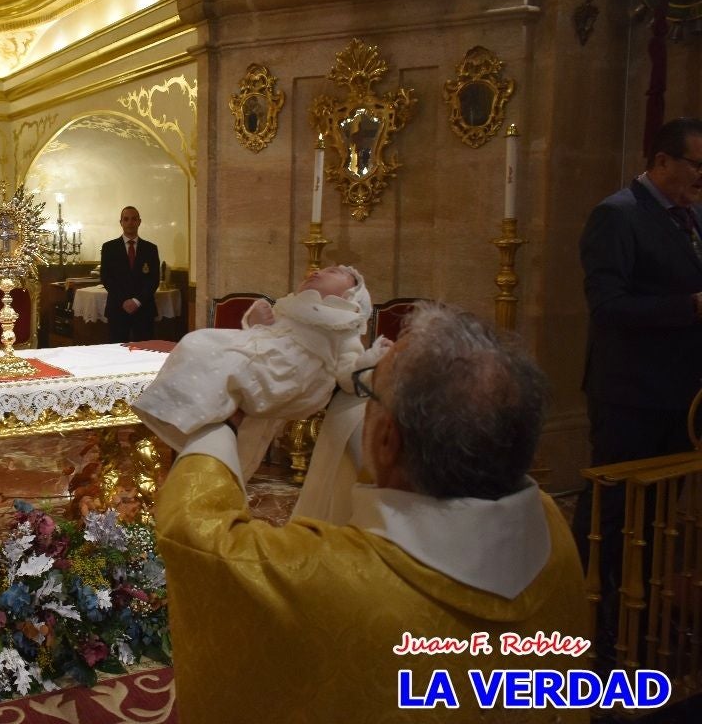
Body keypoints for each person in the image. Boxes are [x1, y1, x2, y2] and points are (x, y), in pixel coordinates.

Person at [156, 303, 589, 724]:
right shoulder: (553, 531)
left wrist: (218, 426)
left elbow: (196, 533)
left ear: (387, 440)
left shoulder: (316, 577)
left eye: (370, 391)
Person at [574, 115, 702, 658]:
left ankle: (641, 617)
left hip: (682, 394)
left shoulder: (691, 216)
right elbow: (608, 307)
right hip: (630, 392)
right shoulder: (617, 215)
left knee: (658, 514)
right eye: (697, 164)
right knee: (614, 513)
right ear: (662, 162)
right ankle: (593, 622)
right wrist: (689, 307)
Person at [135, 265, 386, 482]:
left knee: (225, 358)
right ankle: (189, 415)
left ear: (351, 294)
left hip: (290, 376)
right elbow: (263, 336)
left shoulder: (343, 324)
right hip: (264, 355)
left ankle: (213, 413)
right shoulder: (290, 307)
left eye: (333, 272)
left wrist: (372, 361)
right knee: (196, 341)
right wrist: (255, 321)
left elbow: (348, 372)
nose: (317, 271)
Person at [98, 206, 159, 342]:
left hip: (144, 309)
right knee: (117, 352)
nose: (130, 222)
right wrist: (124, 301)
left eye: (133, 219)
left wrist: (136, 301)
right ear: (121, 223)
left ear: (139, 222)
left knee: (145, 351)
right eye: (126, 219)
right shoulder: (109, 248)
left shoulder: (151, 249)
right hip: (118, 309)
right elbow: (107, 278)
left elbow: (154, 280)